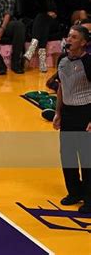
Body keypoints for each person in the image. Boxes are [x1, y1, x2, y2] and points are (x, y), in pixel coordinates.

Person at [53, 25, 91, 214]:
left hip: (85, 113)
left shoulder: (89, 62)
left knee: (86, 159)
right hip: (68, 113)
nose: (69, 39)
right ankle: (74, 192)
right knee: (67, 156)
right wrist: (58, 112)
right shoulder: (62, 60)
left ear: (84, 43)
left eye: (74, 37)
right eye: (68, 36)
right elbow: (61, 87)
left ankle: (90, 199)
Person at [23, 0, 67, 73]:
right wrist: (45, 12)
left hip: (55, 22)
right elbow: (30, 9)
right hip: (39, 20)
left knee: (43, 19)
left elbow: (64, 11)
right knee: (42, 17)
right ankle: (42, 60)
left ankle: (32, 49)